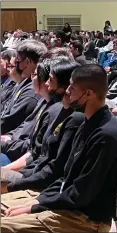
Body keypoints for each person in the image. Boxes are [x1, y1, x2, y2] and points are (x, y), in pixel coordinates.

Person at [1, 64, 117, 233]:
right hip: (66, 206)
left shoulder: (106, 136)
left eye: (73, 88)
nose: (67, 91)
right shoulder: (88, 123)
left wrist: (34, 207)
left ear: (89, 94)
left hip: (85, 220)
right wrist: (38, 200)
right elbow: (65, 178)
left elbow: (81, 194)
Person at [1, 60, 82, 196]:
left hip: (40, 183)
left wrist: (12, 179)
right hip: (30, 170)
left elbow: (54, 169)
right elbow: (36, 153)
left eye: (50, 80)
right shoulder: (53, 109)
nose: (46, 84)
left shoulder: (74, 119)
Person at [1, 40, 47, 134]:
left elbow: (9, 122)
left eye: (17, 61)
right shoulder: (25, 81)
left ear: (27, 62)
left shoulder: (33, 90)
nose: (16, 67)